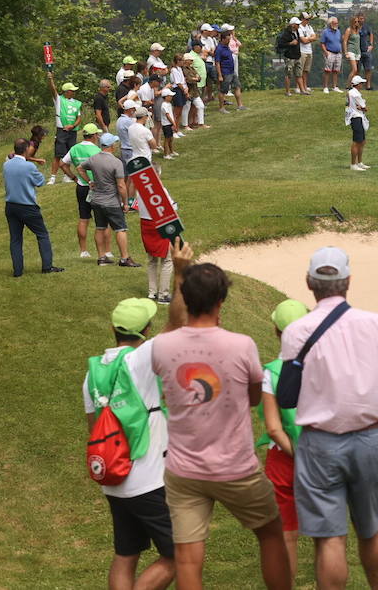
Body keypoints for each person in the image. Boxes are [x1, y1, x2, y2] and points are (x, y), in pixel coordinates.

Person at [151, 249, 292, 590]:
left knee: (186, 557)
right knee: (272, 534)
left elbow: (175, 328)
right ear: (222, 301)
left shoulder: (162, 346)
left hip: (184, 470)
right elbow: (256, 397)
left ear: (184, 296)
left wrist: (181, 271)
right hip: (236, 468)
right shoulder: (242, 345)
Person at [283, 246, 378, 590]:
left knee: (330, 538)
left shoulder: (296, 331)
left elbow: (287, 395)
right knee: (370, 528)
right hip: (371, 440)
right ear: (348, 282)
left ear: (309, 283)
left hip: (321, 443)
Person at [83, 289, 186, 590]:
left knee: (126, 555)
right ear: (146, 331)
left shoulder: (92, 374)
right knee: (180, 553)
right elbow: (177, 323)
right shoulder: (140, 360)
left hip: (114, 480)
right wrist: (180, 273)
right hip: (148, 479)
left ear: (113, 329)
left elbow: (94, 427)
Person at [258, 299, 309, 577]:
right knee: (328, 535)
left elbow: (275, 429)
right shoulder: (323, 363)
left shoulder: (271, 371)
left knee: (287, 534)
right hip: (322, 454)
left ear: (277, 332)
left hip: (283, 459)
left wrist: (298, 455)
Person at [77, 134, 142, 269]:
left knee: (100, 227)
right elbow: (121, 186)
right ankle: (124, 258)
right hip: (111, 202)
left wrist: (89, 181)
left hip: (96, 200)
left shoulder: (93, 159)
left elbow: (79, 168)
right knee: (121, 229)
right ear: (112, 146)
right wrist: (125, 203)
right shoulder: (116, 162)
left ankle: (101, 257)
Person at [3, 138, 62, 276]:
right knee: (42, 234)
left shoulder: (6, 165)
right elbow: (40, 181)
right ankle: (47, 266)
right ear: (26, 150)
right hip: (27, 206)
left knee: (15, 239)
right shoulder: (29, 166)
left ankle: (17, 271)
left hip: (10, 205)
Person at [136, 171, 177, 303]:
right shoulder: (160, 190)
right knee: (167, 260)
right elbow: (172, 207)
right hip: (159, 224)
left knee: (152, 260)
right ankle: (163, 295)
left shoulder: (140, 191)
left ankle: (152, 292)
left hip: (145, 225)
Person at [66, 124, 104, 260]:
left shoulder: (75, 148)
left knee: (83, 218)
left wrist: (73, 177)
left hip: (81, 186)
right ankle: (106, 251)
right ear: (93, 136)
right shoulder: (96, 150)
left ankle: (83, 251)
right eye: (97, 134)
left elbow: (62, 164)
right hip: (96, 186)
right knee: (102, 220)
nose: (98, 136)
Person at [48, 72, 87, 184]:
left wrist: (73, 125)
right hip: (61, 130)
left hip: (72, 131)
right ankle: (53, 177)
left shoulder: (76, 103)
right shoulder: (59, 100)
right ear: (66, 91)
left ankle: (67, 176)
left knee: (68, 154)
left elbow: (79, 118)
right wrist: (50, 79)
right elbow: (53, 90)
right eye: (72, 90)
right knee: (58, 154)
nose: (74, 92)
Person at [346, 75, 371, 171]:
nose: (362, 85)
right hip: (356, 117)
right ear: (358, 84)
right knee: (357, 142)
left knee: (362, 141)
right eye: (361, 83)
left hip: (355, 116)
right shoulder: (356, 94)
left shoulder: (350, 92)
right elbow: (365, 108)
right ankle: (353, 164)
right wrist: (364, 108)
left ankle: (359, 162)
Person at [344, 11, 374, 90]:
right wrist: (346, 52)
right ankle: (352, 85)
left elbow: (371, 34)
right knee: (356, 70)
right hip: (354, 51)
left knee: (368, 68)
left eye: (363, 19)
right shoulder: (351, 29)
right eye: (360, 19)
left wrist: (371, 44)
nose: (361, 20)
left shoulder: (365, 27)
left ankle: (368, 86)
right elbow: (345, 40)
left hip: (364, 51)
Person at [222, 23, 247, 110]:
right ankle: (227, 91)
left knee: (235, 74)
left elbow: (239, 44)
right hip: (230, 57)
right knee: (228, 77)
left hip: (235, 56)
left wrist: (235, 38)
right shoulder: (225, 41)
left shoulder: (233, 38)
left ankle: (240, 104)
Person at [185, 40, 208, 128]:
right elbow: (189, 72)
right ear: (195, 47)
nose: (201, 48)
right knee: (191, 106)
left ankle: (196, 121)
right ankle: (190, 121)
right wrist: (195, 78)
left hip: (200, 83)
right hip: (194, 85)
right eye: (200, 46)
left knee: (197, 105)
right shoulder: (191, 55)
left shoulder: (197, 55)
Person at [319, 16, 344, 94]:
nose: (337, 24)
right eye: (335, 23)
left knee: (336, 71)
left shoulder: (338, 31)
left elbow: (339, 41)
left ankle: (335, 86)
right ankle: (325, 87)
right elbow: (322, 43)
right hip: (330, 52)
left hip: (338, 53)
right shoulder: (325, 32)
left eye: (337, 23)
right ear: (330, 24)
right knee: (327, 70)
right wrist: (326, 52)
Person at [216, 28, 238, 113]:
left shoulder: (227, 47)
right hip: (225, 72)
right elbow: (217, 62)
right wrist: (220, 75)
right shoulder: (219, 49)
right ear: (223, 39)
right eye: (228, 40)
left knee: (237, 86)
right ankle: (221, 107)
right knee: (223, 90)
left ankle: (240, 105)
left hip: (232, 71)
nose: (229, 41)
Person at [279, 17, 302, 96]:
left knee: (299, 74)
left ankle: (302, 90)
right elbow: (281, 44)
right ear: (293, 25)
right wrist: (290, 43)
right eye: (297, 24)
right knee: (288, 74)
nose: (299, 25)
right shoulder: (286, 34)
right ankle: (287, 91)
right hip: (289, 56)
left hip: (297, 55)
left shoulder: (297, 32)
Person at [297, 13, 317, 95]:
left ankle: (305, 86)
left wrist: (308, 39)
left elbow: (315, 37)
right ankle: (298, 87)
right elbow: (303, 41)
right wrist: (310, 39)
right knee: (299, 71)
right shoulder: (299, 28)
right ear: (302, 19)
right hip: (302, 51)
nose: (308, 21)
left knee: (306, 71)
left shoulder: (309, 27)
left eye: (308, 19)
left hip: (309, 51)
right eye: (306, 19)